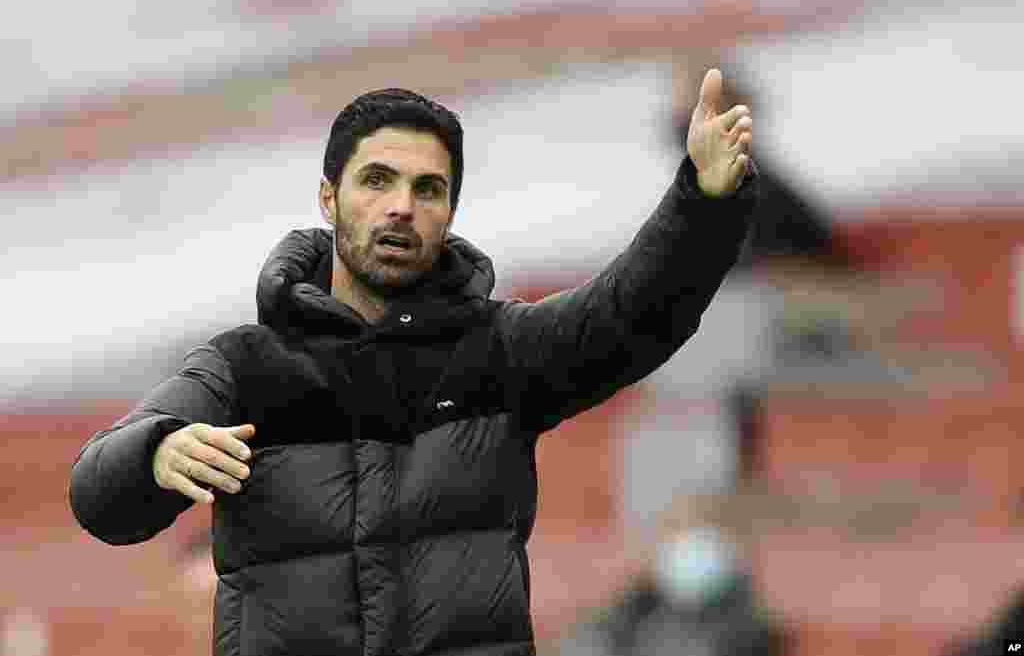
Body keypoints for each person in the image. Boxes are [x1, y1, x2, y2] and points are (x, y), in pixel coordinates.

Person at [68, 69, 757, 656]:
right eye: (377, 180)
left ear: (450, 211)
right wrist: (153, 451)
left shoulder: (500, 352)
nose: (402, 206)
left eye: (428, 189)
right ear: (329, 197)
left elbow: (632, 313)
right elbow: (99, 496)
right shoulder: (245, 367)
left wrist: (704, 201)